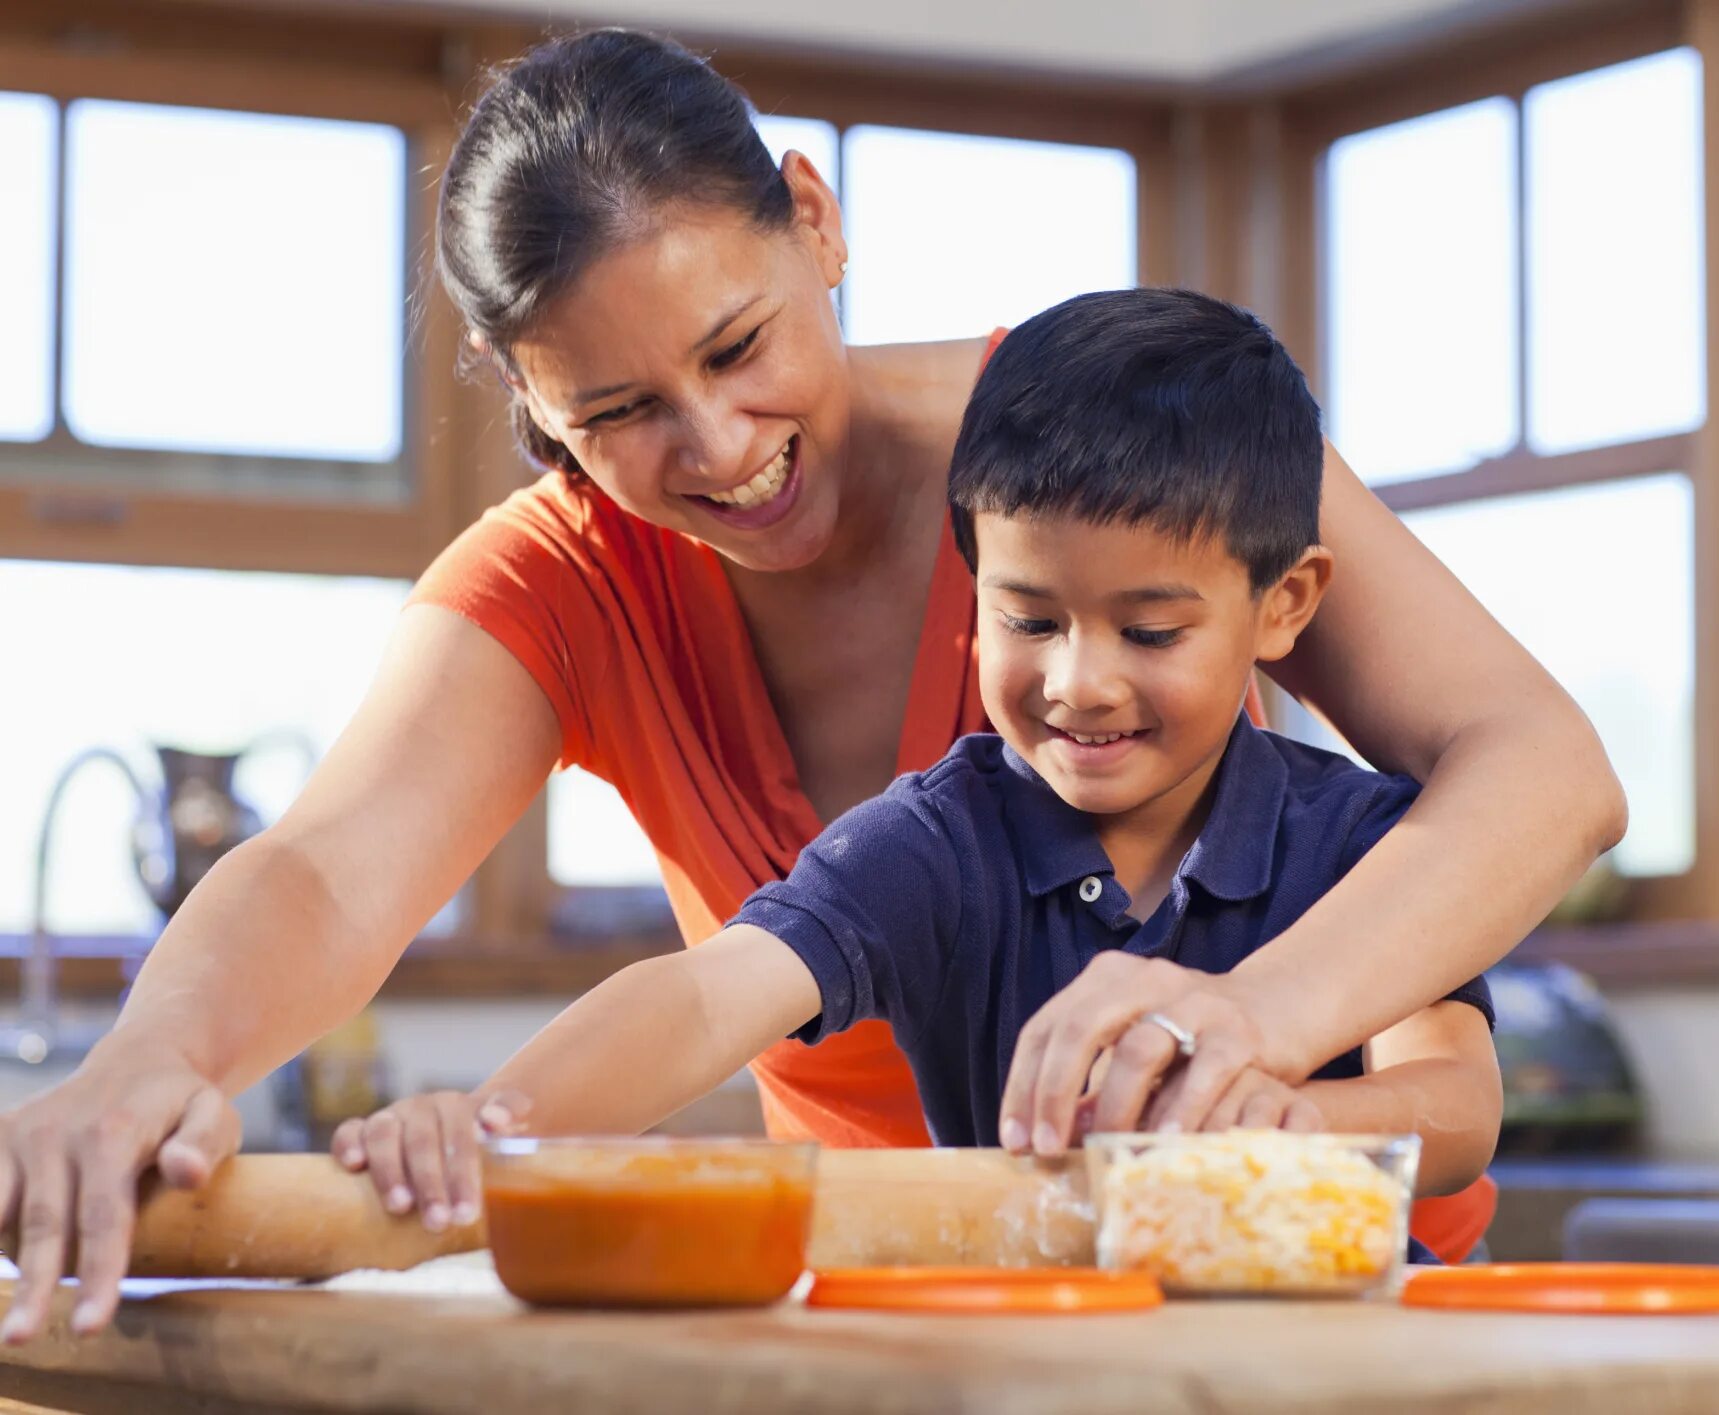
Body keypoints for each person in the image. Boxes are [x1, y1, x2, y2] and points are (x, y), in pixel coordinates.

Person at [0, 28, 1623, 1342]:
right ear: (525, 395)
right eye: (619, 408)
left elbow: (1541, 769)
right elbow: (325, 869)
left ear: (814, 217)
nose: (715, 451)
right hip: (902, 1307)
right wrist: (158, 1061)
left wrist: (1254, 1025)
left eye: (735, 343)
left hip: (1295, 1301)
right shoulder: (562, 584)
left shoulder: (1098, 440)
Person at [343, 287, 1503, 1228]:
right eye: (1029, 620)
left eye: (1150, 631)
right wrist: (490, 1122)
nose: (1079, 680)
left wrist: (1294, 1118)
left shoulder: (1363, 841)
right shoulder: (937, 840)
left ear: (1283, 604)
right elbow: (706, 995)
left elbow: (1456, 1103)